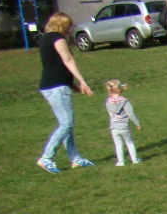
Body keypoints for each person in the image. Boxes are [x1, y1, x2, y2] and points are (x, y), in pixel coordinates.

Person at [36, 12, 94, 174]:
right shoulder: (57, 38)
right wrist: (82, 80)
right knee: (66, 124)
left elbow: (55, 65)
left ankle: (75, 158)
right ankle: (46, 158)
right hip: (56, 88)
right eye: (68, 26)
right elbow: (67, 60)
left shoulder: (46, 38)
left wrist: (73, 85)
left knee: (65, 123)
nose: (70, 29)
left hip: (52, 86)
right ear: (61, 25)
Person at [104, 79, 141, 167]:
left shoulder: (108, 101)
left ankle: (121, 162)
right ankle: (135, 160)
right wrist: (137, 123)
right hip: (124, 126)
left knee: (118, 144)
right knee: (129, 143)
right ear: (120, 89)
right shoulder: (124, 101)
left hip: (114, 127)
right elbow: (130, 113)